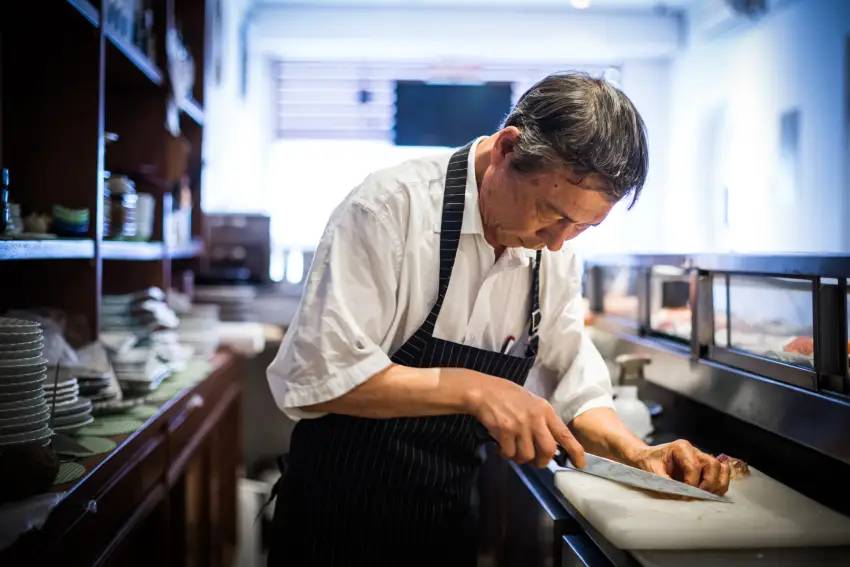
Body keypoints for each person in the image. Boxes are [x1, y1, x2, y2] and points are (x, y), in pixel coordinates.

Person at [266, 72, 730, 566]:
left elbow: (572, 382)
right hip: (333, 526)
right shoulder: (389, 210)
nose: (557, 242)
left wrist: (638, 455)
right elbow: (318, 375)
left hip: (441, 525)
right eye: (550, 213)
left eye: (582, 227)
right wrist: (478, 388)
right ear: (508, 149)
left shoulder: (552, 249)